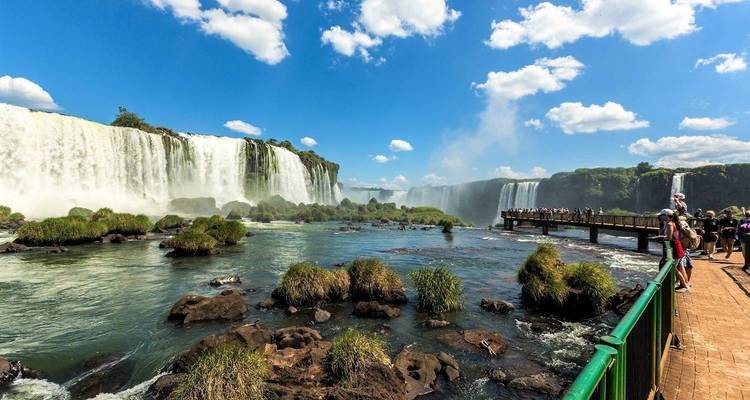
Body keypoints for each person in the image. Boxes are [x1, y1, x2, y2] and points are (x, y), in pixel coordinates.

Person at [654, 209, 690, 292]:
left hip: (674, 247)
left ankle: (685, 286)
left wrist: (657, 237)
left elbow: (669, 238)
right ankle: (683, 284)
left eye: (661, 215)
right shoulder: (671, 223)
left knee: (673, 268)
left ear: (666, 216)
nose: (660, 217)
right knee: (675, 267)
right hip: (675, 247)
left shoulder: (670, 224)